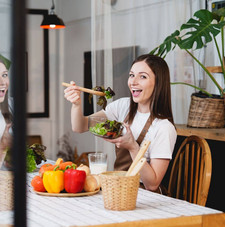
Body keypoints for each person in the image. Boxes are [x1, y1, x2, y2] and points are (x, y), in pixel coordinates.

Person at [64, 54, 177, 192]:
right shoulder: (122, 107)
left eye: (142, 76)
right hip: (119, 189)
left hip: (145, 196)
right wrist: (76, 104)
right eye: (131, 75)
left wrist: (133, 147)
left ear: (158, 83)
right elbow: (80, 126)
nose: (133, 82)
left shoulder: (164, 127)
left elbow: (152, 185)